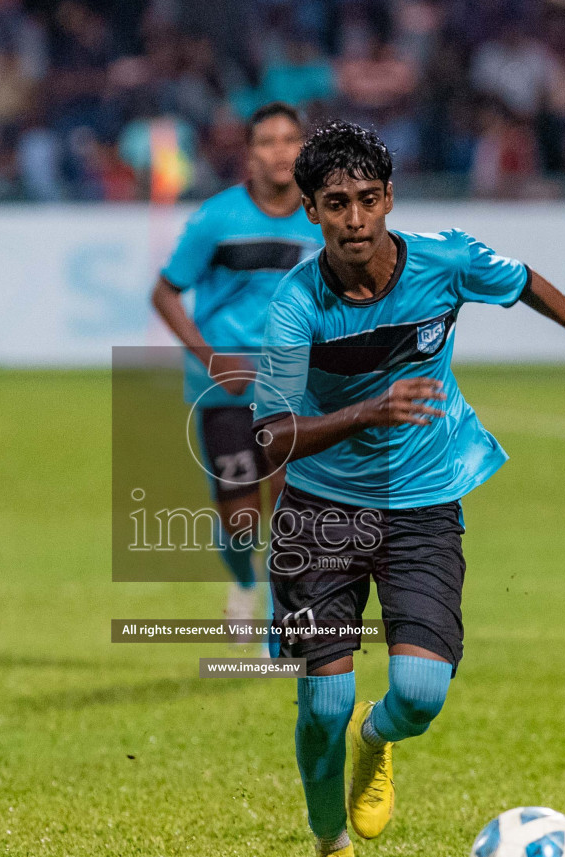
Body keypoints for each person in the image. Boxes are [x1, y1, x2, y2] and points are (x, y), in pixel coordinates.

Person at [253, 122, 565, 857]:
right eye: (335, 204)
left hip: (422, 506)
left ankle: (375, 743)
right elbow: (270, 436)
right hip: (320, 511)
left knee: (417, 696)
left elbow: (528, 283)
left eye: (368, 200)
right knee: (322, 701)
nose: (354, 220)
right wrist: (367, 412)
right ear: (310, 211)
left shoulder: (444, 259)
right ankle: (331, 849)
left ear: (389, 199)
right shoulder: (293, 307)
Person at [150, 102, 324, 626]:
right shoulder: (216, 219)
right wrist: (209, 358)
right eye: (267, 141)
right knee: (243, 520)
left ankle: (283, 608)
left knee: (293, 501)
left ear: (304, 148)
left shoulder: (323, 218)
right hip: (224, 387)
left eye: (290, 140)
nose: (280, 151)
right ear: (249, 155)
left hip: (294, 384)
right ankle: (244, 580)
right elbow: (164, 292)